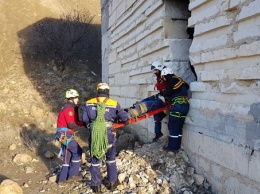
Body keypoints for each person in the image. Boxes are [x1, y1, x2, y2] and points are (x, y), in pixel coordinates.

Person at [82, 83, 129, 193]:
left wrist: (92, 126)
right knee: (111, 158)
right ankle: (112, 182)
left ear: (97, 91)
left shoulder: (88, 103)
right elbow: (124, 117)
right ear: (108, 91)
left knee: (95, 160)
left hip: (95, 134)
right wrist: (125, 120)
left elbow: (85, 120)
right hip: (108, 134)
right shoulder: (114, 103)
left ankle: (96, 186)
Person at [55, 89, 83, 185]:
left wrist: (83, 123)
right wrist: (82, 124)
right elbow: (71, 124)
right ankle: (73, 174)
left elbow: (74, 122)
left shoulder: (68, 107)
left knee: (68, 154)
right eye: (76, 98)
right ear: (72, 98)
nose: (78, 99)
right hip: (65, 135)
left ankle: (62, 179)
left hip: (62, 135)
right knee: (77, 151)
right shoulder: (68, 109)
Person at [160, 67, 190, 152]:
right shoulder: (180, 80)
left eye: (164, 77)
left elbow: (167, 92)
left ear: (167, 74)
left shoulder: (172, 80)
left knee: (173, 126)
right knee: (179, 126)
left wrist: (163, 94)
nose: (164, 79)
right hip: (185, 105)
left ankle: (172, 148)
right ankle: (177, 146)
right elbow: (186, 87)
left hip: (177, 105)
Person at [150, 61, 168, 142]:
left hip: (166, 97)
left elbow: (168, 88)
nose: (155, 72)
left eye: (156, 70)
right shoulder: (159, 77)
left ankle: (158, 133)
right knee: (148, 102)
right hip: (161, 95)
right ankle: (158, 132)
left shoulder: (166, 76)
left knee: (151, 105)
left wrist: (164, 96)